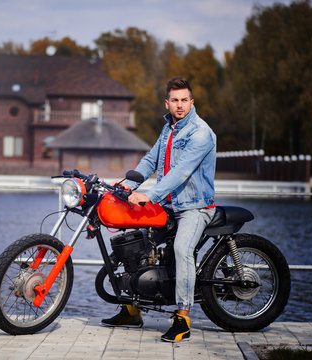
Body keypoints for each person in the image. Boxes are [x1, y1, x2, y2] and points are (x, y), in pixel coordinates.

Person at [101, 77, 216, 342]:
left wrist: (148, 195)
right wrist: (125, 185)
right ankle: (132, 310)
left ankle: (183, 319)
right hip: (168, 204)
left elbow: (180, 173)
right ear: (167, 102)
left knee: (181, 250)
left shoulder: (200, 133)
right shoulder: (169, 129)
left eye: (184, 100)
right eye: (174, 100)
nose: (179, 105)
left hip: (194, 207)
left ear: (192, 102)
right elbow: (150, 161)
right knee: (138, 243)